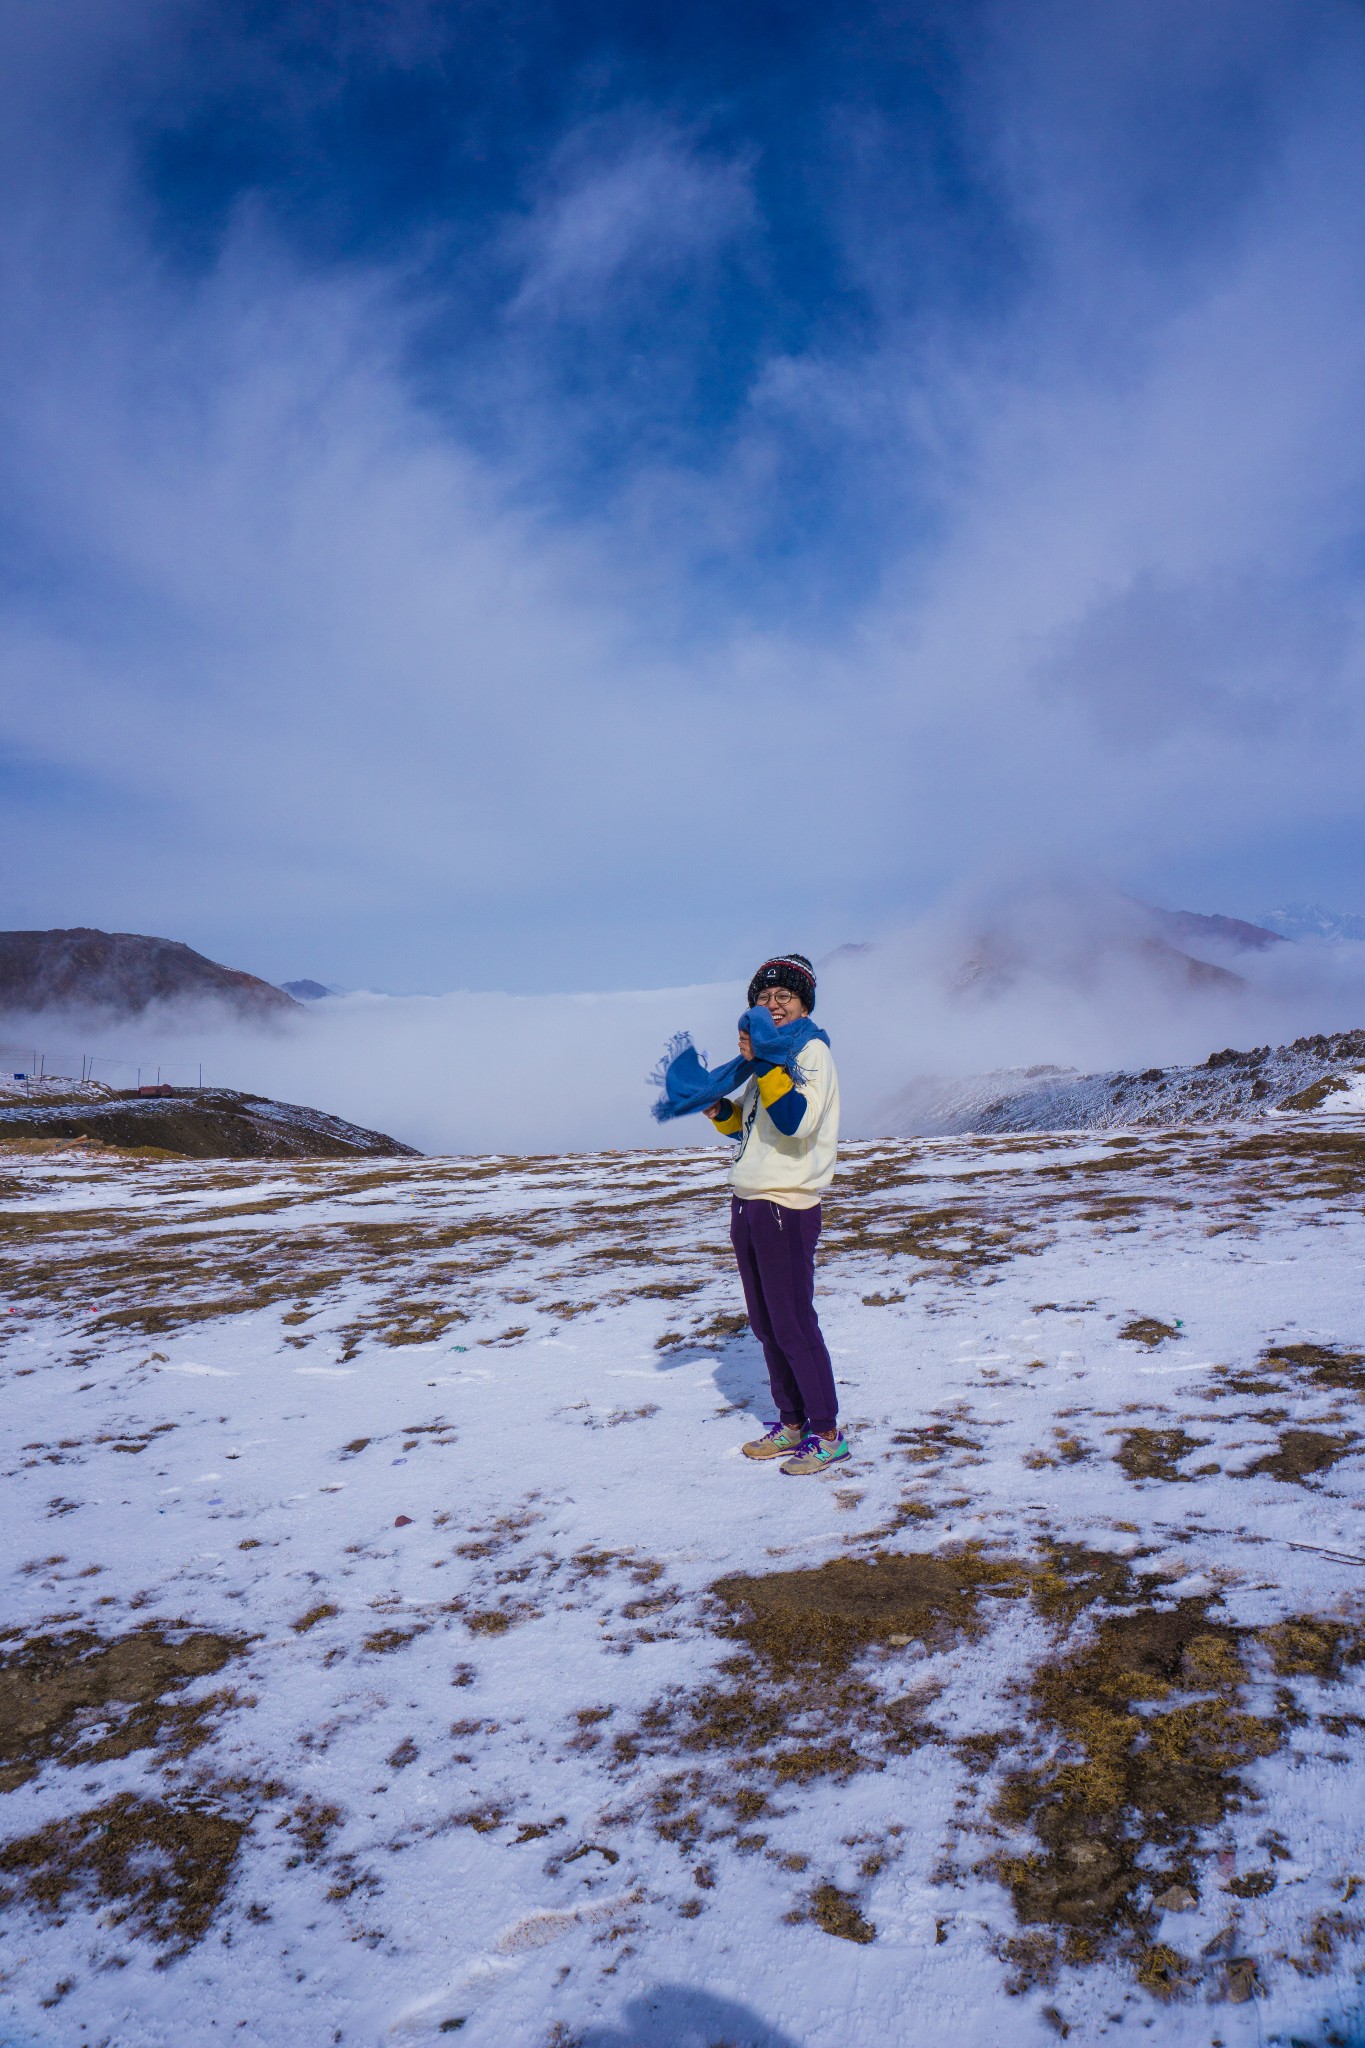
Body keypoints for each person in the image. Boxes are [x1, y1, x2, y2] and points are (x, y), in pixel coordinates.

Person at [704, 954, 848, 1476]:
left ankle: (827, 1432)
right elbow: (749, 1128)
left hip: (786, 1204)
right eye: (762, 999)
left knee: (793, 1322)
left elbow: (795, 1122)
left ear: (803, 1003)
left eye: (783, 997)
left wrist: (764, 1062)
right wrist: (719, 1109)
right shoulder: (767, 1061)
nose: (772, 1005)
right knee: (766, 1324)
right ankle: (791, 1422)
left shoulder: (810, 1053)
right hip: (748, 1201)